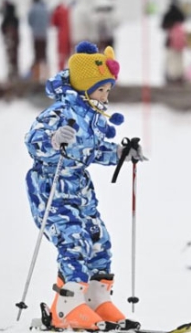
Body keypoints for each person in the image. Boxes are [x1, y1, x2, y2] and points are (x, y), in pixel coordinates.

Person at [24, 41, 146, 331]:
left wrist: (119, 153)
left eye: (108, 90)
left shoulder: (91, 117)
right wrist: (54, 141)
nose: (105, 96)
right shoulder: (60, 112)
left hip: (80, 189)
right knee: (74, 241)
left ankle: (95, 299)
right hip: (51, 189)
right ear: (84, 86)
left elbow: (91, 150)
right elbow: (33, 141)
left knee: (98, 239)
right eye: (101, 89)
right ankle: (66, 307)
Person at [161, 0, 186, 85]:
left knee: (171, 59)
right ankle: (179, 77)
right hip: (180, 42)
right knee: (179, 59)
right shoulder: (180, 14)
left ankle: (172, 77)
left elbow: (163, 26)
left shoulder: (167, 14)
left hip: (170, 41)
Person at [28, 0, 49, 80]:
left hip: (36, 35)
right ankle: (46, 75)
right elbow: (49, 20)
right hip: (44, 35)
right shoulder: (45, 9)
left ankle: (36, 76)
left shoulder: (32, 9)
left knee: (37, 55)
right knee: (44, 55)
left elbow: (30, 21)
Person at [0, 0, 20, 80]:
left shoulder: (6, 19)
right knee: (15, 58)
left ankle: (11, 74)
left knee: (10, 58)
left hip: (9, 41)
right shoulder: (15, 19)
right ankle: (14, 73)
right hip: (14, 41)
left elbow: (2, 29)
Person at [51, 0, 72, 70]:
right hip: (71, 34)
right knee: (70, 54)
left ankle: (61, 71)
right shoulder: (69, 10)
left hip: (62, 35)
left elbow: (53, 23)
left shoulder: (57, 11)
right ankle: (71, 70)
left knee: (61, 55)